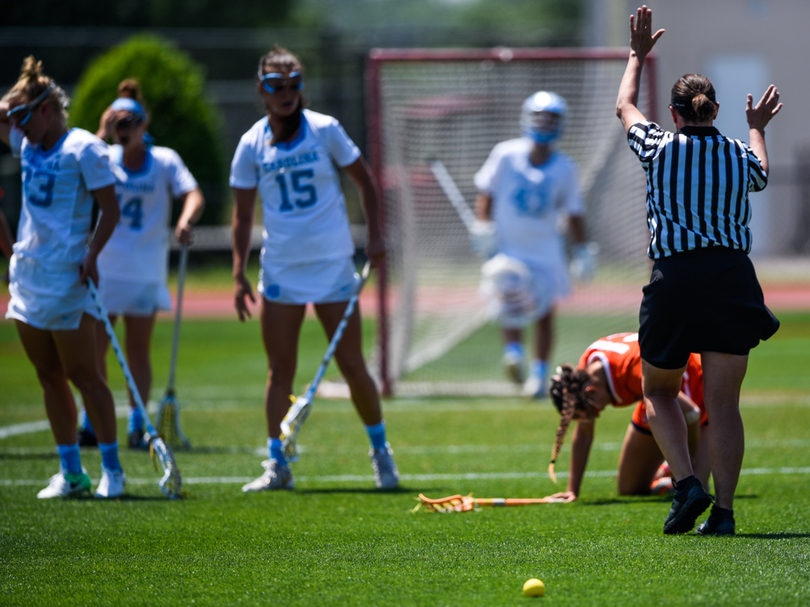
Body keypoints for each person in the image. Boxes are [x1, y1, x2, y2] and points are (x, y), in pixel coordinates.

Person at [616, 6, 782, 534]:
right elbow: (762, 172)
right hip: (733, 278)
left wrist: (638, 56)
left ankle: (686, 485)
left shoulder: (659, 146)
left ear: (674, 111)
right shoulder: (737, 154)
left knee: (660, 391)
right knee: (722, 405)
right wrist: (757, 128)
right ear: (716, 110)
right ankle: (725, 514)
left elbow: (622, 104)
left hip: (676, 277)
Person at [230, 45, 399, 491]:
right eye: (275, 86)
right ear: (262, 91)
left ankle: (381, 452)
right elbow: (242, 215)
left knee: (352, 365)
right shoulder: (251, 143)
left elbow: (364, 179)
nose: (286, 93)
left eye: (293, 84)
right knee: (279, 370)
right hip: (282, 268)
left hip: (331, 266)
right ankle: (276, 463)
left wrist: (376, 235)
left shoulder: (325, 130)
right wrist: (237, 271)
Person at [0, 56, 125, 498]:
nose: (16, 126)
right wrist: (25, 90)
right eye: (14, 117)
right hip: (29, 277)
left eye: (23, 116)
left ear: (48, 109)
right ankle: (72, 474)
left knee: (85, 375)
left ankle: (112, 470)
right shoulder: (28, 143)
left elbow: (111, 209)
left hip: (69, 277)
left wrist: (92, 255)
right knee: (48, 376)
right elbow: (4, 114)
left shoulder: (84, 148)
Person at [75, 79, 205, 449]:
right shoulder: (104, 156)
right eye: (118, 124)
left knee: (137, 349)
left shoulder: (164, 160)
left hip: (145, 269)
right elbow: (76, 174)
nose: (124, 130)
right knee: (95, 348)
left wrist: (185, 220)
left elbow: (192, 193)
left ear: (144, 125)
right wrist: (100, 131)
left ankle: (137, 422)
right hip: (104, 266)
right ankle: (92, 420)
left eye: (130, 122)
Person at [473, 91, 595, 398]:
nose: (544, 124)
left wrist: (583, 251)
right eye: (540, 117)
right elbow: (486, 193)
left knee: (543, 312)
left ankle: (539, 376)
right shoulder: (505, 154)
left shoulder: (564, 167)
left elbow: (574, 211)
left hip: (545, 250)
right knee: (509, 302)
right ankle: (513, 354)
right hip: (509, 246)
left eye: (551, 119)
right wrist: (483, 225)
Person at [543, 332, 709, 504]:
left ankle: (673, 468)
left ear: (591, 391)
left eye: (590, 413)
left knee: (695, 486)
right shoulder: (586, 370)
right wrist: (572, 490)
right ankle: (667, 469)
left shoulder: (634, 369)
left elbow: (692, 413)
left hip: (696, 385)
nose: (594, 416)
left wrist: (685, 471)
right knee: (629, 488)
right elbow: (584, 433)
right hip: (654, 398)